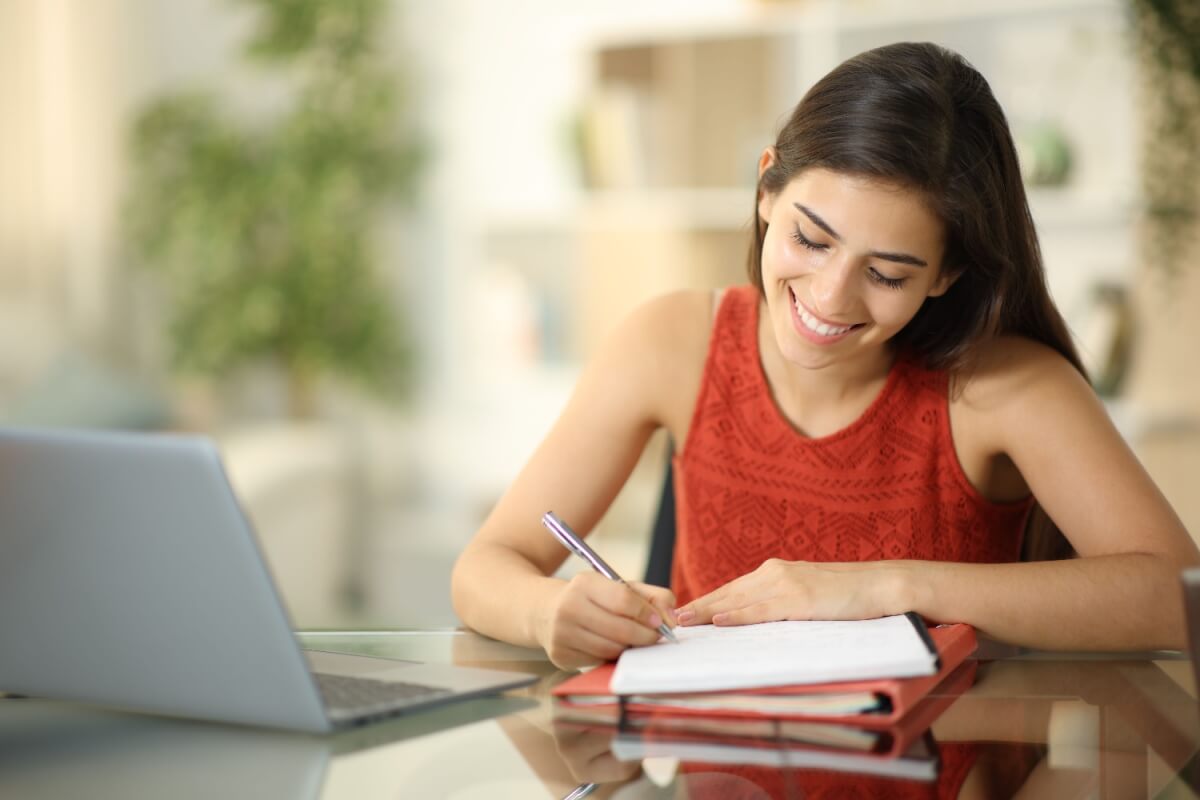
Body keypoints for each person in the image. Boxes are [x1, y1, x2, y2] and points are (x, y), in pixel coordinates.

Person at [450, 42, 1200, 671]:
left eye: (888, 274)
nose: (830, 298)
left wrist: (889, 587)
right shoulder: (671, 343)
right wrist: (549, 611)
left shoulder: (1002, 386)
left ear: (945, 274)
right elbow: (487, 566)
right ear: (766, 188)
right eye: (811, 239)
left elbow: (1177, 597)